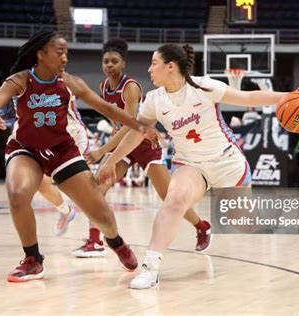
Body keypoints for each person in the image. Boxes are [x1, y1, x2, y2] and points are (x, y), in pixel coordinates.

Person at [98, 43, 296, 289]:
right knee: (174, 202)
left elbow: (248, 98)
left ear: (170, 67)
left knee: (240, 221)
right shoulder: (154, 100)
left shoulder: (204, 86)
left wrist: (285, 97)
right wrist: (111, 159)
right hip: (191, 164)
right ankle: (151, 268)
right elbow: (136, 133)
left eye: (154, 63)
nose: (149, 69)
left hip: (226, 161)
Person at [0, 30, 157, 282]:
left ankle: (115, 241)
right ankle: (33, 260)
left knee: (102, 215)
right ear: (41, 54)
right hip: (26, 148)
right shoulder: (20, 80)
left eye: (66, 53)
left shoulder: (70, 82)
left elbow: (106, 108)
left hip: (62, 150)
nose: (64, 57)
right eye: (59, 52)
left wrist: (140, 126)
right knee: (18, 194)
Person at [72, 39, 212, 258]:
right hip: (124, 146)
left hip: (143, 143)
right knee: (98, 188)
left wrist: (102, 151)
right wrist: (111, 148)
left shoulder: (130, 88)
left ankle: (202, 226)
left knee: (169, 197)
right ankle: (94, 241)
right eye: (106, 61)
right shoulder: (103, 87)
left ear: (123, 64)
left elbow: (131, 125)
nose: (109, 65)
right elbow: (118, 124)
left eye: (114, 61)